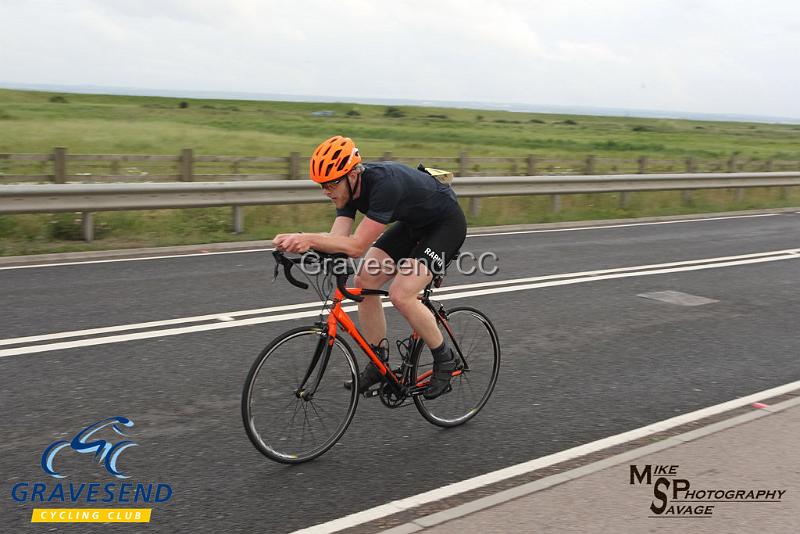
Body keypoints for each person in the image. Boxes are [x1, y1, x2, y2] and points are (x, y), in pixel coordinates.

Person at [273, 135, 467, 400]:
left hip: (445, 224)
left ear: (353, 174)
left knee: (402, 294)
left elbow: (355, 247)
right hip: (414, 224)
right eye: (321, 185)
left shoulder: (383, 185)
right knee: (364, 281)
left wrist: (308, 238)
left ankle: (445, 359)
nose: (326, 191)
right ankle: (378, 363)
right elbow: (338, 240)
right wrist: (302, 247)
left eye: (331, 184)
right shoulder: (347, 193)